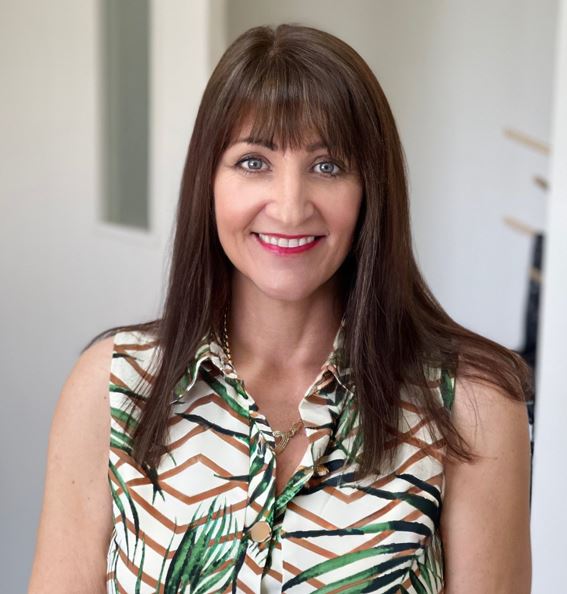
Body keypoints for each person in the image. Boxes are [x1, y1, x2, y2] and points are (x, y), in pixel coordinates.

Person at [28, 23, 532, 594]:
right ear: (207, 183)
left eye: (327, 166)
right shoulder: (113, 386)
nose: (290, 208)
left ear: (371, 190)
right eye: (253, 162)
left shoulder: (471, 404)